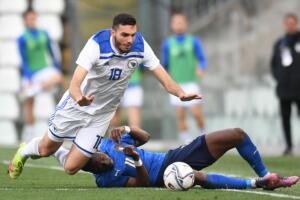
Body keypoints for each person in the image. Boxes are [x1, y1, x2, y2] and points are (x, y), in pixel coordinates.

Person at [8, 13, 201, 179]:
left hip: (102, 115)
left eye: (133, 35)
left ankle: (59, 150)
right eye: (125, 35)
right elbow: (75, 84)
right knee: (44, 149)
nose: (130, 40)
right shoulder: (96, 45)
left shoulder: (140, 45)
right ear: (113, 32)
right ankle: (25, 150)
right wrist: (79, 98)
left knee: (71, 168)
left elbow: (164, 78)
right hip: (76, 106)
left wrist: (180, 93)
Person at [54, 126, 299, 189]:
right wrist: (137, 160)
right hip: (161, 175)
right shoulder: (106, 181)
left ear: (95, 151)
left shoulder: (110, 143)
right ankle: (260, 183)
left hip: (171, 156)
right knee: (197, 178)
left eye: (99, 158)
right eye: (97, 166)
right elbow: (141, 182)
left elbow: (145, 136)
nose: (103, 162)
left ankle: (264, 174)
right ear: (91, 170)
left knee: (236, 135)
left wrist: (128, 130)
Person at [18, 8, 62, 141]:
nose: (32, 21)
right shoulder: (22, 38)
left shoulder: (44, 34)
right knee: (29, 104)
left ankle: (35, 88)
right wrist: (29, 77)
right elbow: (24, 60)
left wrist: (56, 67)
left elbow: (52, 52)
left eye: (34, 18)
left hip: (44, 71)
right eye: (29, 19)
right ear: (25, 21)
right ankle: (30, 135)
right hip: (31, 73)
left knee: (58, 77)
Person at [162, 13, 207, 142]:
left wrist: (201, 68)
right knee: (180, 115)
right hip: (177, 85)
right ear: (172, 25)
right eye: (176, 23)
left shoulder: (193, 41)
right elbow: (164, 65)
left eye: (181, 22)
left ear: (185, 24)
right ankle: (186, 142)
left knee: (196, 113)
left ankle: (204, 136)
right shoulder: (168, 44)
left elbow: (202, 59)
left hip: (191, 82)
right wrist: (164, 80)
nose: (178, 25)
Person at [271, 13, 300, 155]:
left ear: (297, 23)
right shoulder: (280, 43)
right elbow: (273, 64)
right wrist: (279, 77)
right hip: (284, 88)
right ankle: (289, 146)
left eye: (292, 23)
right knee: (285, 118)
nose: (290, 25)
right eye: (288, 23)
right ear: (285, 24)